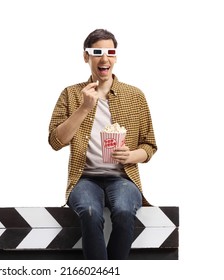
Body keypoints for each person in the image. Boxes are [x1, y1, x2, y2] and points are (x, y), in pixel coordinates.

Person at [48, 29, 157, 260]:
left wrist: (131, 156)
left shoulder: (135, 96)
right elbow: (56, 141)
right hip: (85, 178)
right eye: (97, 52)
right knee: (90, 212)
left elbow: (149, 146)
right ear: (86, 57)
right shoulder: (71, 94)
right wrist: (84, 107)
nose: (104, 58)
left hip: (123, 179)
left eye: (110, 52)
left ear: (116, 58)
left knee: (125, 211)